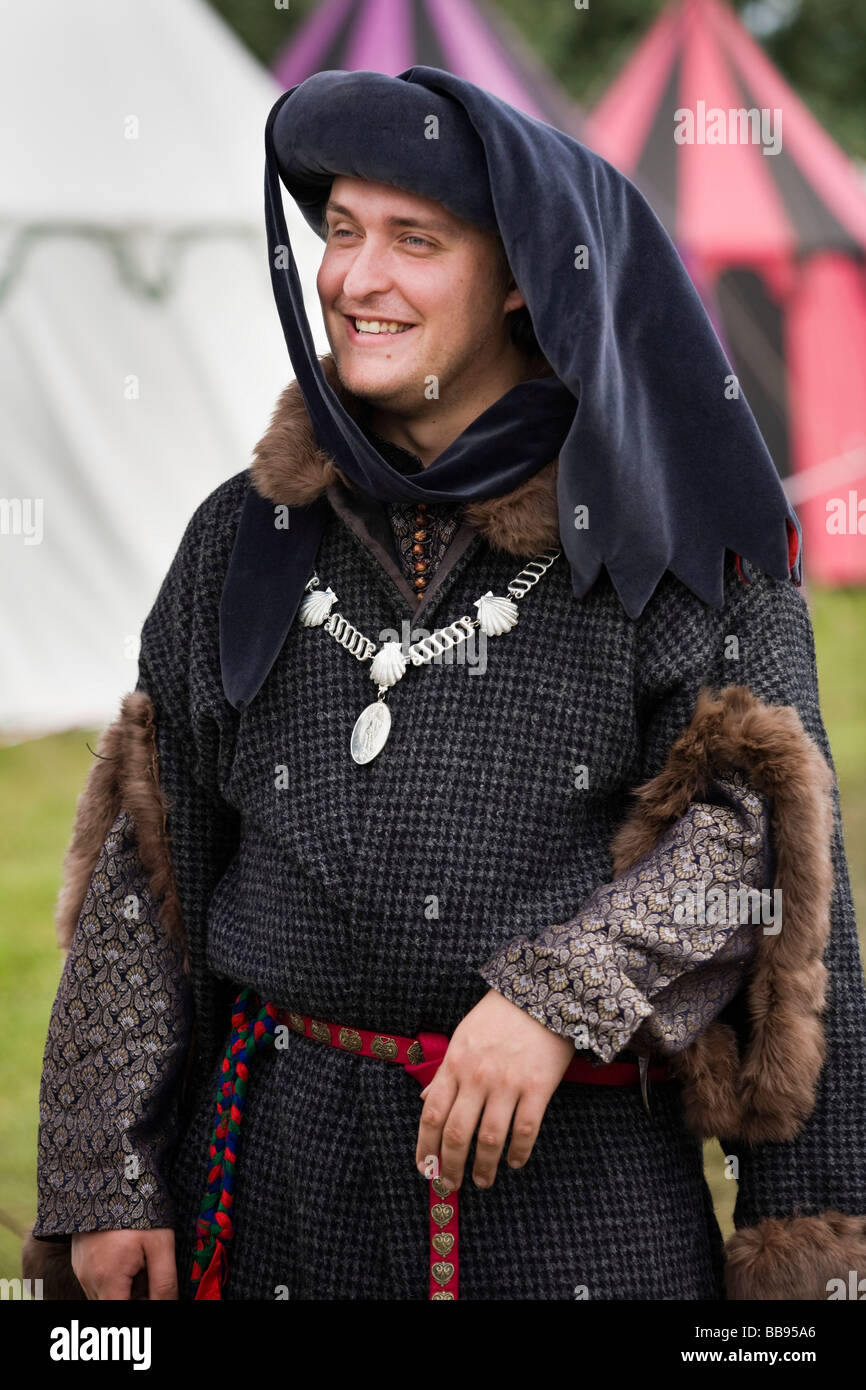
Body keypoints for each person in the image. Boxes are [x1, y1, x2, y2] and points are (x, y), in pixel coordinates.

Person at [25, 67, 866, 1302]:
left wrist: (557, 995)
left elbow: (752, 851)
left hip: (574, 1218)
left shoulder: (672, 548)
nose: (355, 280)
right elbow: (147, 867)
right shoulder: (244, 534)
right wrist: (106, 1176)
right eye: (343, 232)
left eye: (413, 241)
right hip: (274, 1199)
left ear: (521, 273)